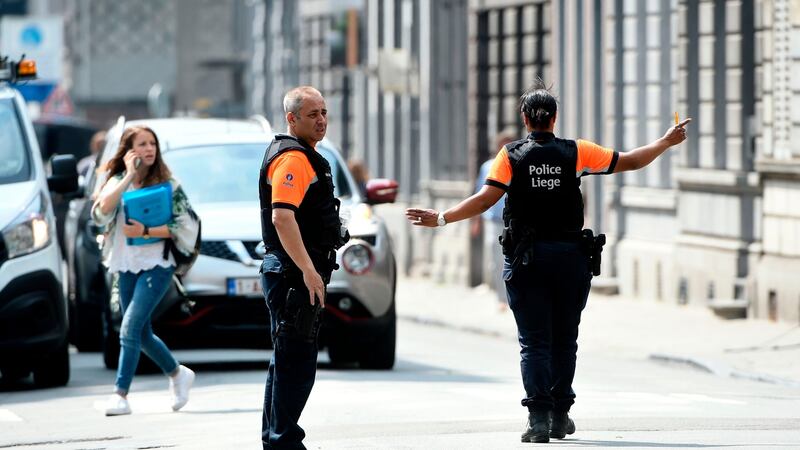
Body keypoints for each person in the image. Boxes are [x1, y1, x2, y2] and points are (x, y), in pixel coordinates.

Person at [406, 81, 691, 443]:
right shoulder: (577, 152)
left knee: (534, 342)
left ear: (525, 119)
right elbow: (631, 161)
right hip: (571, 260)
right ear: (554, 118)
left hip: (527, 262)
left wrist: (442, 218)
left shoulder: (510, 155)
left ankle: (538, 419)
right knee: (564, 339)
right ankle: (560, 415)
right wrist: (666, 142)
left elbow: (484, 199)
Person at [258, 86, 348, 449]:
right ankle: (283, 442)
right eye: (313, 115)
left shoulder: (307, 156)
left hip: (295, 275)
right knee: (295, 368)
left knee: (287, 363)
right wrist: (310, 271)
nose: (322, 120)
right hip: (294, 277)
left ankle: (276, 440)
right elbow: (282, 217)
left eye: (324, 112)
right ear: (291, 119)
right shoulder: (292, 158)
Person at [92, 126, 199, 416]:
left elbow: (187, 225)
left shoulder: (168, 183)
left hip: (158, 263)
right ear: (129, 150)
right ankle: (177, 374)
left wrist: (147, 230)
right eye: (142, 144)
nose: (149, 148)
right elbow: (100, 213)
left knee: (129, 327)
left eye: (153, 143)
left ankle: (120, 394)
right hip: (125, 262)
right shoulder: (117, 180)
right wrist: (127, 176)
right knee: (141, 333)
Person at [473, 129, 517, 310]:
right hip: (493, 220)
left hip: (514, 221)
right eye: (502, 142)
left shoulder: (518, 164)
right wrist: (476, 221)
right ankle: (501, 298)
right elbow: (479, 195)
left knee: (515, 259)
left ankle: (514, 296)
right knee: (497, 260)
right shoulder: (488, 166)